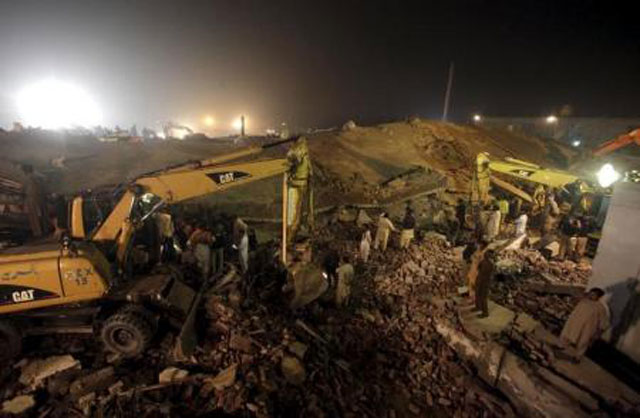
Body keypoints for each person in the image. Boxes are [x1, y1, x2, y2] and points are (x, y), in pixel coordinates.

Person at [560, 288, 609, 359]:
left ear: (598, 297)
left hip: (588, 327)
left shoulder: (600, 308)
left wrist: (599, 332)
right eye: (591, 293)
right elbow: (573, 300)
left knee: (583, 342)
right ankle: (561, 346)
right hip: (575, 322)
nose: (591, 295)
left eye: (594, 295)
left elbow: (603, 321)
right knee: (567, 334)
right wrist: (582, 295)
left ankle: (577, 357)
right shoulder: (583, 300)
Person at [474, 249, 496, 318]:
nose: (485, 254)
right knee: (477, 294)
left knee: (483, 297)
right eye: (486, 253)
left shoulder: (491, 264)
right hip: (480, 280)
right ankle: (478, 307)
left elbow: (490, 275)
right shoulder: (483, 261)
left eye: (487, 254)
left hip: (485, 282)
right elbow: (478, 268)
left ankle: (485, 313)